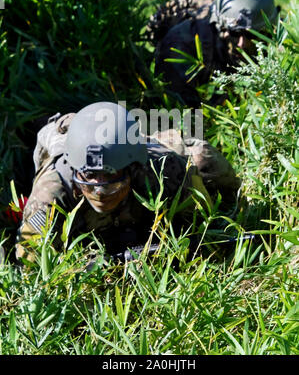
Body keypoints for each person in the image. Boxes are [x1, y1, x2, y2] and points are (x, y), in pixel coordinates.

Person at [15, 102, 240, 262]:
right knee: (54, 131)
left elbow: (199, 227)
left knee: (203, 157)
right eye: (89, 178)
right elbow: (30, 261)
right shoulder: (52, 192)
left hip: (130, 146)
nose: (100, 190)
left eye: (110, 178)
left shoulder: (166, 170)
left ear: (132, 169)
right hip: (61, 139)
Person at [146, 0, 278, 106]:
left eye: (252, 35)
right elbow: (179, 110)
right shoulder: (184, 41)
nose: (241, 43)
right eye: (235, 33)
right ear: (221, 26)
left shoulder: (274, 35)